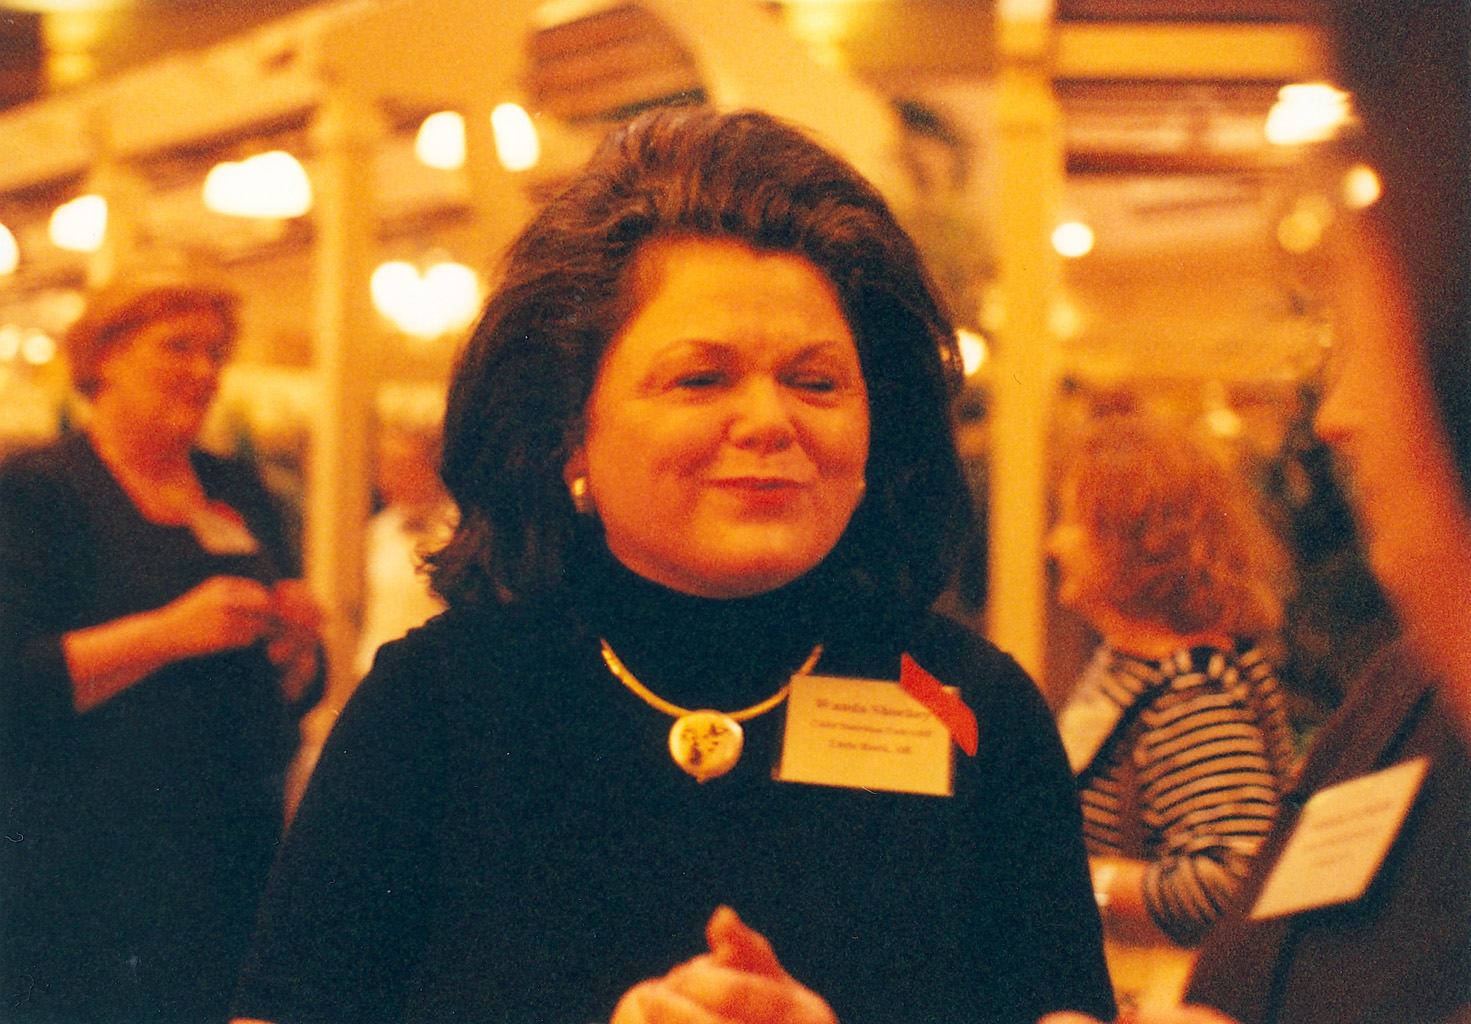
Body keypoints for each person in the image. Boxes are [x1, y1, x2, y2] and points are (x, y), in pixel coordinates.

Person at [231, 108, 1116, 1024]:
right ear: (569, 428)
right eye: (701, 378)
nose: (768, 421)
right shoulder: (438, 705)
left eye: (814, 381)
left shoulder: (969, 709)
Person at [1040, 0, 1471, 1022]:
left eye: (1362, 341)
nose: (1332, 418)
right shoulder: (1403, 686)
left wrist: (1075, 885)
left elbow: (1220, 877)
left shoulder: (1196, 689)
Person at [0, 269, 325, 1022]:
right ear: (104, 357)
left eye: (216, 352)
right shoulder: (38, 491)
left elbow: (294, 689)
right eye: (178, 347)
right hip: (83, 869)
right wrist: (170, 633)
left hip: (231, 859)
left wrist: (297, 648)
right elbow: (14, 681)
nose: (204, 371)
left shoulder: (237, 486)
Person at [1048, 416, 1297, 949]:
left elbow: (1230, 884)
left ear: (1130, 540)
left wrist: (1070, 880)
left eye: (1071, 521)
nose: (1054, 543)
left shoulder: (1193, 693)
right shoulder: (1128, 662)